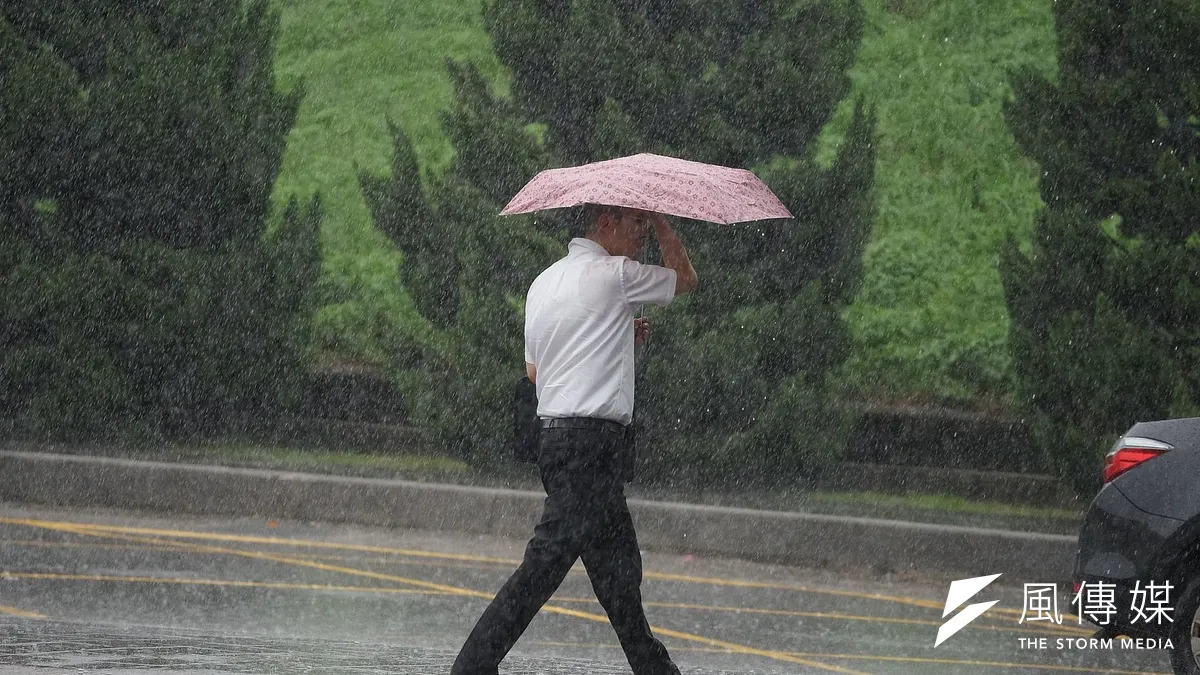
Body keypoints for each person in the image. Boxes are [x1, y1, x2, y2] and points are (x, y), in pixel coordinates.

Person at [449, 205, 698, 675]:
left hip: (558, 440)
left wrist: (615, 337)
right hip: (591, 444)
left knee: (619, 573)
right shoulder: (616, 274)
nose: (642, 234)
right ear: (605, 223)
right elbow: (684, 278)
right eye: (636, 224)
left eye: (646, 226)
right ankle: (472, 665)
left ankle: (655, 669)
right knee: (544, 564)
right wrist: (666, 221)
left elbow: (535, 372)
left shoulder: (544, 282)